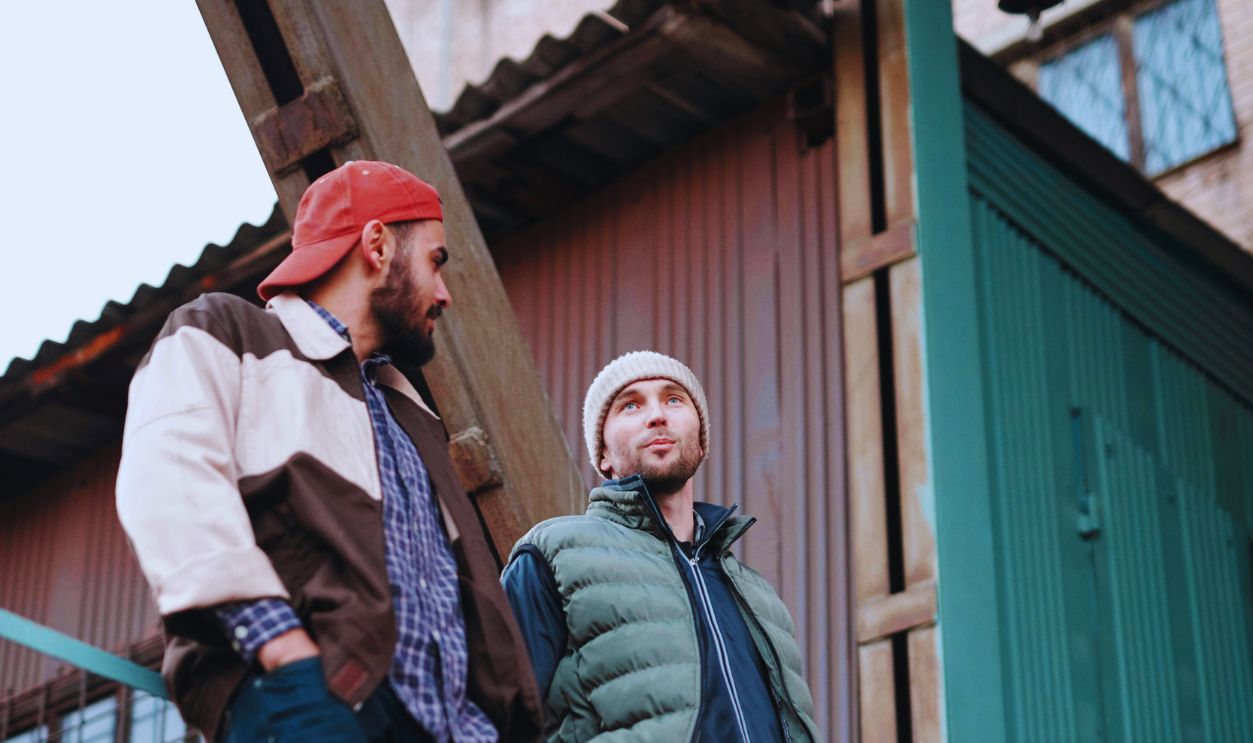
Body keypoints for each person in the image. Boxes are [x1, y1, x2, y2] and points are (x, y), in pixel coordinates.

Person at [116, 161, 542, 743]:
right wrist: (284, 653)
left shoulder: (409, 409)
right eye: (435, 261)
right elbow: (168, 485)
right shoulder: (225, 332)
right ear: (378, 246)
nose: (444, 294)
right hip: (315, 700)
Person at [502, 351, 821, 742]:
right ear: (603, 455)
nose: (657, 415)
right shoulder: (553, 555)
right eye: (630, 405)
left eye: (673, 399)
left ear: (701, 443)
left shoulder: (761, 599)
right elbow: (498, 720)